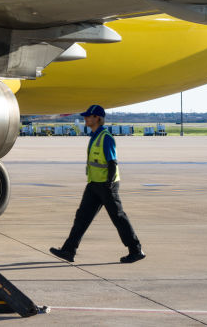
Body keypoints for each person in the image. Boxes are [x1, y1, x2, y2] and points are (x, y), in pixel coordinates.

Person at [50, 104, 145, 264]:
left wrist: (109, 183)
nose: (85, 118)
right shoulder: (94, 136)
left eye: (89, 116)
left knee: (118, 218)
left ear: (97, 118)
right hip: (94, 184)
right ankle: (68, 250)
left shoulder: (106, 137)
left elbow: (112, 162)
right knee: (82, 217)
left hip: (107, 185)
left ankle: (136, 250)